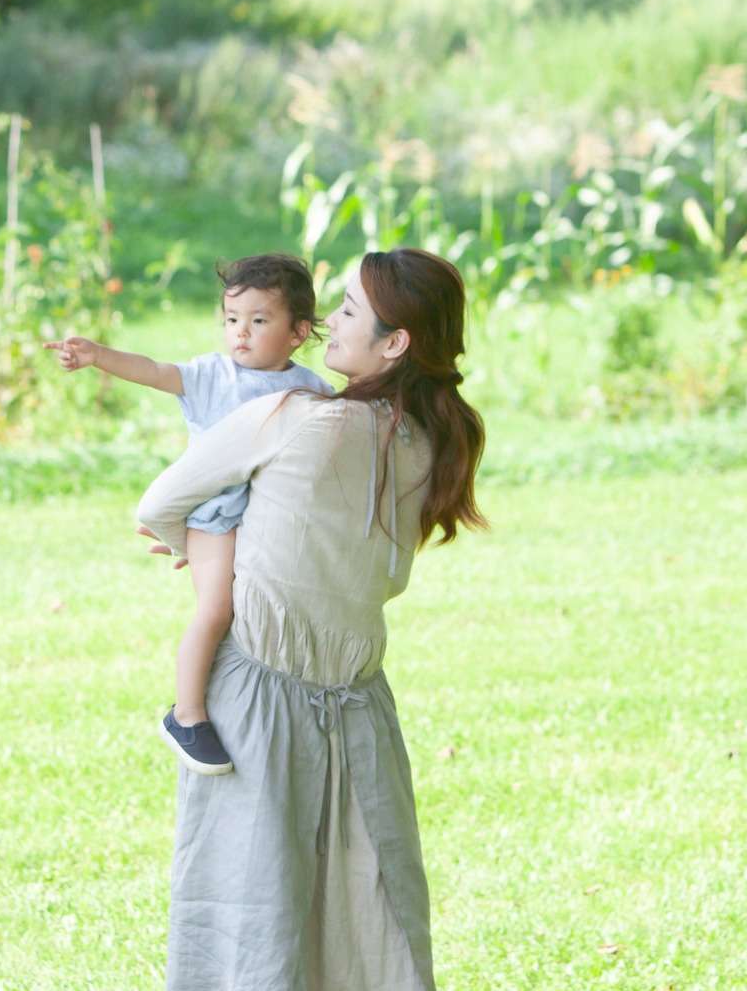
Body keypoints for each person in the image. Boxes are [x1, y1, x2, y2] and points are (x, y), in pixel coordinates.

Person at [135, 247, 487, 990]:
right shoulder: (429, 442)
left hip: (257, 697)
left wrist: (207, 553)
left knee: (248, 925)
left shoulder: (290, 417)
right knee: (368, 923)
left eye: (351, 309)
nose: (332, 316)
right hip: (360, 703)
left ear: (394, 343)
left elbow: (158, 504)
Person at [43, 254, 331, 775]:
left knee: (260, 610)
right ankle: (187, 714)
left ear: (298, 332)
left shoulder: (313, 390)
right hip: (215, 521)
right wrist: (96, 355)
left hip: (269, 522)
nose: (240, 333)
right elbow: (154, 371)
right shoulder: (212, 376)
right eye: (231, 320)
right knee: (216, 609)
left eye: (259, 321)